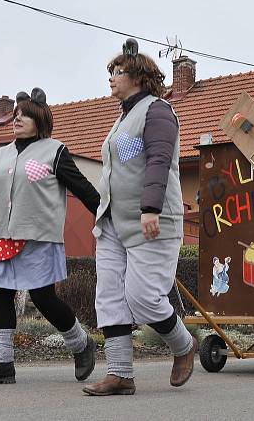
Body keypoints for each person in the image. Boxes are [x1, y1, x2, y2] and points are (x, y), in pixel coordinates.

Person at [0, 87, 100, 384]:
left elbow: (82, 187)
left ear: (40, 120)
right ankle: (1, 363)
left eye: (25, 116)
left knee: (43, 298)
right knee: (2, 294)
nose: (17, 119)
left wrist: (107, 216)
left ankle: (81, 344)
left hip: (39, 237)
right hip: (3, 236)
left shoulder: (54, 151)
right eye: (16, 115)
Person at [82, 39, 196, 396]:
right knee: (111, 296)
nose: (112, 78)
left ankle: (183, 345)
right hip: (114, 222)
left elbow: (159, 161)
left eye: (119, 71)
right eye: (111, 72)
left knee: (143, 297)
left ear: (140, 77)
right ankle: (120, 374)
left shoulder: (158, 111)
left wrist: (150, 208)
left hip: (152, 219)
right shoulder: (121, 119)